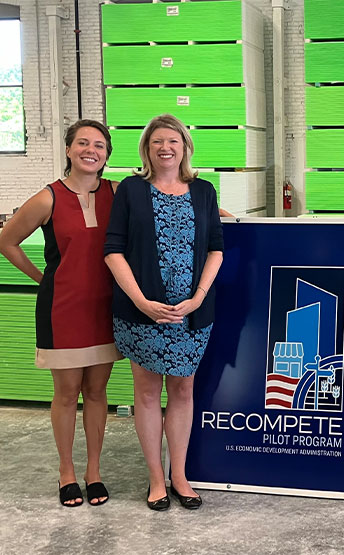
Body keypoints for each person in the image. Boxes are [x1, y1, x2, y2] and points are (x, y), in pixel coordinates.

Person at [104, 114, 223, 511]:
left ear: (185, 147)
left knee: (184, 389)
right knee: (148, 392)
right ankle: (156, 479)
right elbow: (113, 249)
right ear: (146, 148)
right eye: (156, 141)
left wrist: (199, 297)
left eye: (172, 140)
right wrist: (140, 301)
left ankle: (180, 476)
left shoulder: (204, 191)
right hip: (142, 314)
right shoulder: (131, 191)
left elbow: (215, 249)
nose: (165, 147)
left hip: (191, 316)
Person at [0, 120, 122, 507]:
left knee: (97, 392)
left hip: (105, 309)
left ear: (107, 154)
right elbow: (6, 241)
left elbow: (171, 198)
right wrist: (43, 278)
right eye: (83, 143)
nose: (91, 149)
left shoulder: (118, 192)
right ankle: (67, 471)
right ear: (69, 149)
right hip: (62, 311)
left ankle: (94, 472)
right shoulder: (47, 198)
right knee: (67, 394)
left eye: (99, 145)